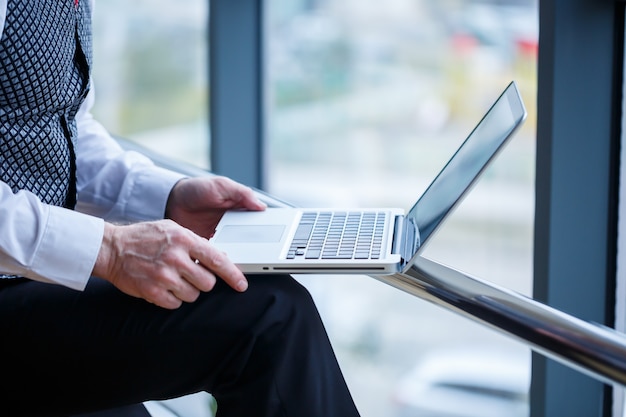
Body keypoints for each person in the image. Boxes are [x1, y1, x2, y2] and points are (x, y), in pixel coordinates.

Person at [0, 0, 362, 416]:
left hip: (35, 281)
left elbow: (66, 131)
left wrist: (169, 197)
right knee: (270, 315)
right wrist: (110, 250)